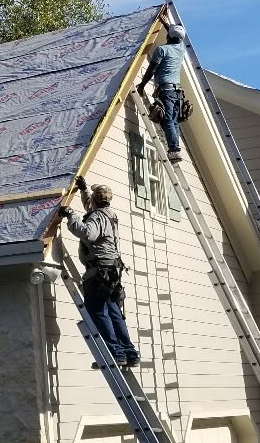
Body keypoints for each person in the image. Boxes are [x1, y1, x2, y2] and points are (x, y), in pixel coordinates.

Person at [59, 176, 140, 368]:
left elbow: (88, 233)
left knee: (97, 311)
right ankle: (129, 354)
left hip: (99, 272)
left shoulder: (96, 217)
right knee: (114, 313)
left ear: (96, 200)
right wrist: (84, 189)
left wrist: (70, 214)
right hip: (112, 271)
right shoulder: (109, 214)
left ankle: (115, 353)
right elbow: (92, 209)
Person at [138, 23, 187, 163]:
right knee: (174, 121)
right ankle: (175, 150)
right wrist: (167, 25)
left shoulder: (162, 50)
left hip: (166, 90)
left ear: (168, 35)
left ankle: (174, 150)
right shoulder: (181, 49)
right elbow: (177, 36)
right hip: (178, 92)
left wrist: (142, 85)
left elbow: (151, 70)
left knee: (167, 120)